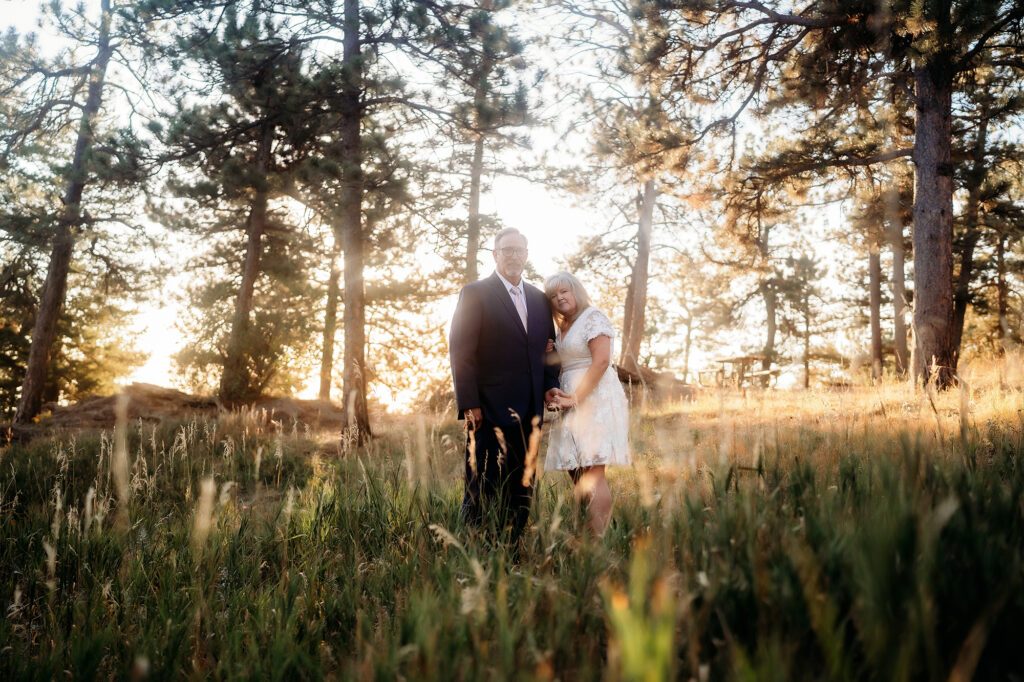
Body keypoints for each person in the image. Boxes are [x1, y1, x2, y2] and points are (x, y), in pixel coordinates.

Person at [449, 228, 563, 543]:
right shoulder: (474, 293)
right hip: (487, 409)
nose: (514, 255)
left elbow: (548, 350)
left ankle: (511, 552)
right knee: (482, 484)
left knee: (522, 484)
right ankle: (472, 552)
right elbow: (461, 351)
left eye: (519, 250)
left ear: (527, 255)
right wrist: (468, 403)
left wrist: (551, 384)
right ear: (495, 254)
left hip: (530, 411)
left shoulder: (540, 300)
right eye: (507, 249)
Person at [544, 271, 630, 536]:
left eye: (564, 292)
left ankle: (597, 542)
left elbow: (601, 360)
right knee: (577, 471)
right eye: (554, 296)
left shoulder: (593, 317)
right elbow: (568, 360)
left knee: (592, 471)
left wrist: (576, 397)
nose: (560, 299)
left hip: (593, 398)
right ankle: (587, 533)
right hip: (570, 400)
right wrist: (552, 352)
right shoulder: (564, 327)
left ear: (576, 292)